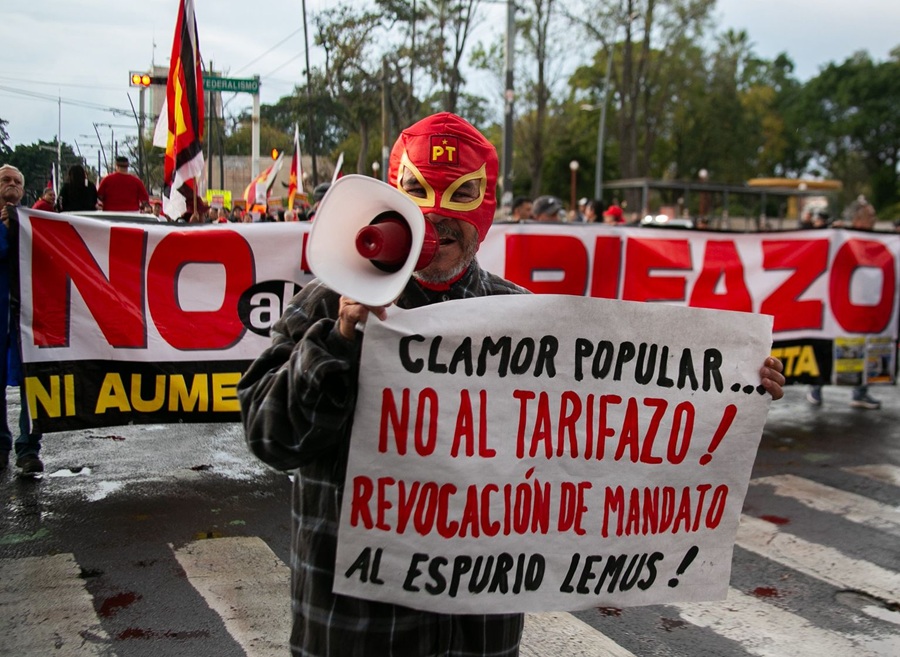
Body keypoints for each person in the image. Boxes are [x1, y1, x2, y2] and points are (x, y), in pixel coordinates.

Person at [238, 113, 786, 656]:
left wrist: (730, 389)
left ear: (487, 208)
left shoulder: (523, 318)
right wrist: (338, 338)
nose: (438, 219)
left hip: (476, 635)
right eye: (418, 192)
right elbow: (273, 439)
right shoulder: (327, 302)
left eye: (460, 198)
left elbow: (609, 433)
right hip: (355, 631)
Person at [807, 197, 881, 410]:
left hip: (863, 306)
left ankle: (860, 391)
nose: (875, 220)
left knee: (863, 349)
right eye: (871, 216)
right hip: (839, 307)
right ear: (859, 219)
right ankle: (815, 386)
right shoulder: (842, 237)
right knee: (828, 347)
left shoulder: (874, 241)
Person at [0, 164, 43, 473]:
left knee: (34, 383)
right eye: (5, 180)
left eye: (16, 181)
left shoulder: (33, 224)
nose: (11, 185)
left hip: (28, 318)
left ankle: (28, 449)